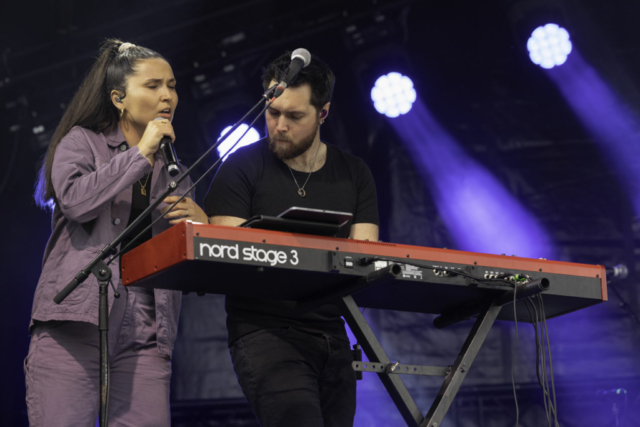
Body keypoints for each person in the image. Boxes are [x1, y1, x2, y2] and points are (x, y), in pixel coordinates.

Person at [26, 39, 208, 427]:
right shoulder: (81, 142)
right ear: (118, 98)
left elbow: (188, 262)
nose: (167, 96)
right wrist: (139, 153)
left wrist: (201, 227)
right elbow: (75, 200)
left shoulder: (175, 170)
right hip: (77, 319)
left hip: (147, 323)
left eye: (172, 86)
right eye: (153, 85)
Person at [204, 52, 379, 427]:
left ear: (324, 113)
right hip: (264, 330)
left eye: (295, 116)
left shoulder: (354, 173)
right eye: (272, 112)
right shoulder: (239, 167)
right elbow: (227, 259)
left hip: (333, 331)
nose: (279, 125)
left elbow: (363, 260)